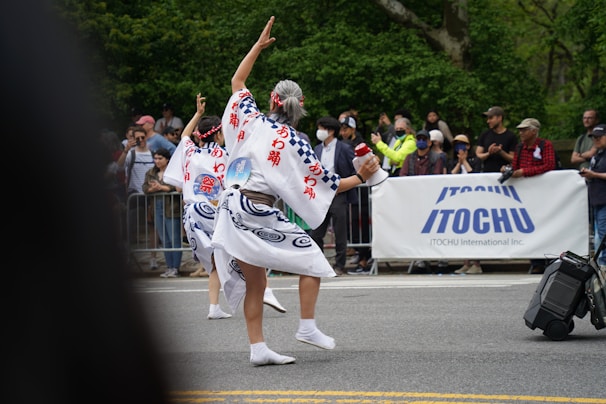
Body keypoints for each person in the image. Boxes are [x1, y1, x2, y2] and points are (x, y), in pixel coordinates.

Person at [212, 15, 380, 366]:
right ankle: (306, 327)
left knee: (257, 284)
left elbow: (238, 80)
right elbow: (327, 184)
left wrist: (257, 47)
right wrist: (362, 177)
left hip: (230, 208)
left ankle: (258, 348)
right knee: (313, 259)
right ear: (298, 106)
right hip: (256, 210)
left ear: (272, 101)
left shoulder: (249, 118)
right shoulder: (295, 142)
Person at [164, 93, 286, 317]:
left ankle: (214, 307)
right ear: (219, 133)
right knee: (247, 244)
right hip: (215, 212)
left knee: (215, 258)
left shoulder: (191, 152)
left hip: (192, 215)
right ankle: (265, 289)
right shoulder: (226, 155)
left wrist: (197, 114)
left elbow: (183, 135)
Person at [504, 118, 557, 274]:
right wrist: (508, 170)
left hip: (545, 193)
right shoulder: (519, 147)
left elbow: (549, 165)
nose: (521, 132)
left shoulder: (545, 145)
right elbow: (515, 166)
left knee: (547, 224)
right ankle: (536, 261)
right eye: (520, 130)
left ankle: (551, 259)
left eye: (525, 129)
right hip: (527, 194)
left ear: (534, 131)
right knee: (532, 225)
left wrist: (525, 172)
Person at [309, 116, 357, 276]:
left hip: (338, 192)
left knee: (340, 231)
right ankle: (320, 263)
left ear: (330, 131)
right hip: (321, 195)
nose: (319, 131)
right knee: (316, 232)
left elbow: (354, 167)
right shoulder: (317, 149)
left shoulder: (344, 148)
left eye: (321, 128)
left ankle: (340, 265)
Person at [400, 129, 446, 273]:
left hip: (431, 199)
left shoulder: (435, 158)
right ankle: (421, 259)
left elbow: (436, 176)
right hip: (414, 200)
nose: (421, 141)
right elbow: (403, 175)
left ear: (429, 142)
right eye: (418, 138)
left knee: (437, 228)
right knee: (418, 229)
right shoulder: (410, 158)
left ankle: (441, 259)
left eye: (423, 139)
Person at [118, 125, 159, 269]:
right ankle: (129, 256)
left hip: (150, 194)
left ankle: (153, 258)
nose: (141, 140)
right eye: (138, 138)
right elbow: (119, 167)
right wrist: (125, 150)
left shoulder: (153, 154)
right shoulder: (131, 154)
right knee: (131, 227)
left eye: (143, 137)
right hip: (134, 194)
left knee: (153, 227)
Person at [143, 148, 183, 278]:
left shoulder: (173, 171)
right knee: (164, 239)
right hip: (157, 206)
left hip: (172, 207)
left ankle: (175, 267)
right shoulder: (151, 172)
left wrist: (162, 188)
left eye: (160, 158)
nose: (157, 161)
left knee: (174, 239)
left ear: (167, 159)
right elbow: (144, 188)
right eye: (155, 158)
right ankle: (169, 266)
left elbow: (177, 187)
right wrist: (152, 189)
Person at [449, 134, 483, 274]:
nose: (459, 147)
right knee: (462, 232)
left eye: (462, 144)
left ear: (468, 146)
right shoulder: (452, 161)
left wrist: (465, 161)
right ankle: (466, 263)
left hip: (474, 199)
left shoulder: (475, 160)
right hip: (459, 200)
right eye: (457, 144)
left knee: (474, 232)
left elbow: (474, 174)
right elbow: (451, 176)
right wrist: (459, 162)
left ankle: (477, 263)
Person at [579, 124, 606, 268]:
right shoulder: (597, 155)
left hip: (604, 201)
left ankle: (604, 267)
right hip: (596, 201)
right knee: (598, 237)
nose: (596, 140)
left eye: (599, 137)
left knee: (602, 236)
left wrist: (593, 175)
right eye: (594, 137)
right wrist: (588, 175)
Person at [475, 106, 517, 173]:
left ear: (499, 118)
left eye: (491, 118)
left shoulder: (511, 136)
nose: (488, 121)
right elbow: (478, 155)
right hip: (487, 175)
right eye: (488, 118)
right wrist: (489, 153)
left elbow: (513, 159)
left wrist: (501, 152)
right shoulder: (485, 134)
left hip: (504, 176)